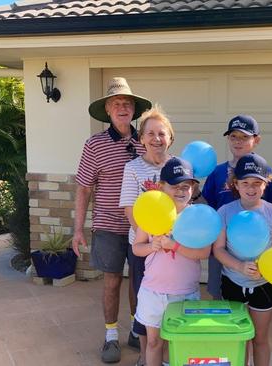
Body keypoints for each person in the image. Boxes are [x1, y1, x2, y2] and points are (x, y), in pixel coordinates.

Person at [72, 77, 152, 364]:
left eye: (127, 103)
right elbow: (83, 187)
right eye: (117, 103)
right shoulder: (95, 144)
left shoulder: (146, 141)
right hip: (107, 225)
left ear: (134, 110)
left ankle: (135, 328)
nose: (122, 107)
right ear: (107, 109)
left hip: (142, 228)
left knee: (140, 282)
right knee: (112, 281)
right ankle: (110, 337)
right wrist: (77, 229)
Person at [212, 153, 272, 366]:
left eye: (257, 182)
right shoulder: (225, 212)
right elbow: (218, 250)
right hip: (232, 283)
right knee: (239, 339)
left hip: (263, 285)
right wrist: (239, 266)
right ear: (235, 184)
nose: (251, 188)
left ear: (266, 184)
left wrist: (266, 270)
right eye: (245, 182)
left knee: (259, 338)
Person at [133, 157, 211, 366]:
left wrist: (174, 245)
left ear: (193, 189)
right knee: (154, 342)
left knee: (181, 343)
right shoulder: (151, 213)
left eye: (185, 187)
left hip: (184, 293)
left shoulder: (195, 217)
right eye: (174, 186)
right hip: (153, 292)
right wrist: (152, 247)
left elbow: (204, 252)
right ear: (161, 186)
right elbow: (137, 247)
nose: (180, 191)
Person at [202, 115, 272, 299]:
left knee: (258, 301)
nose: (238, 142)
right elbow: (208, 208)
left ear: (256, 140)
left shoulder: (265, 174)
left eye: (244, 137)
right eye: (233, 136)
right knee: (221, 299)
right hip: (222, 249)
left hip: (256, 252)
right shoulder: (217, 173)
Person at [119, 105, 176, 366]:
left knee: (173, 303)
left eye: (161, 133)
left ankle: (164, 356)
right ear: (141, 139)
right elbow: (130, 209)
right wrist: (150, 239)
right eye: (150, 133)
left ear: (170, 138)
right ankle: (145, 355)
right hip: (144, 248)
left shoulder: (177, 168)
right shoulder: (132, 168)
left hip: (174, 249)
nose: (156, 139)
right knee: (147, 304)